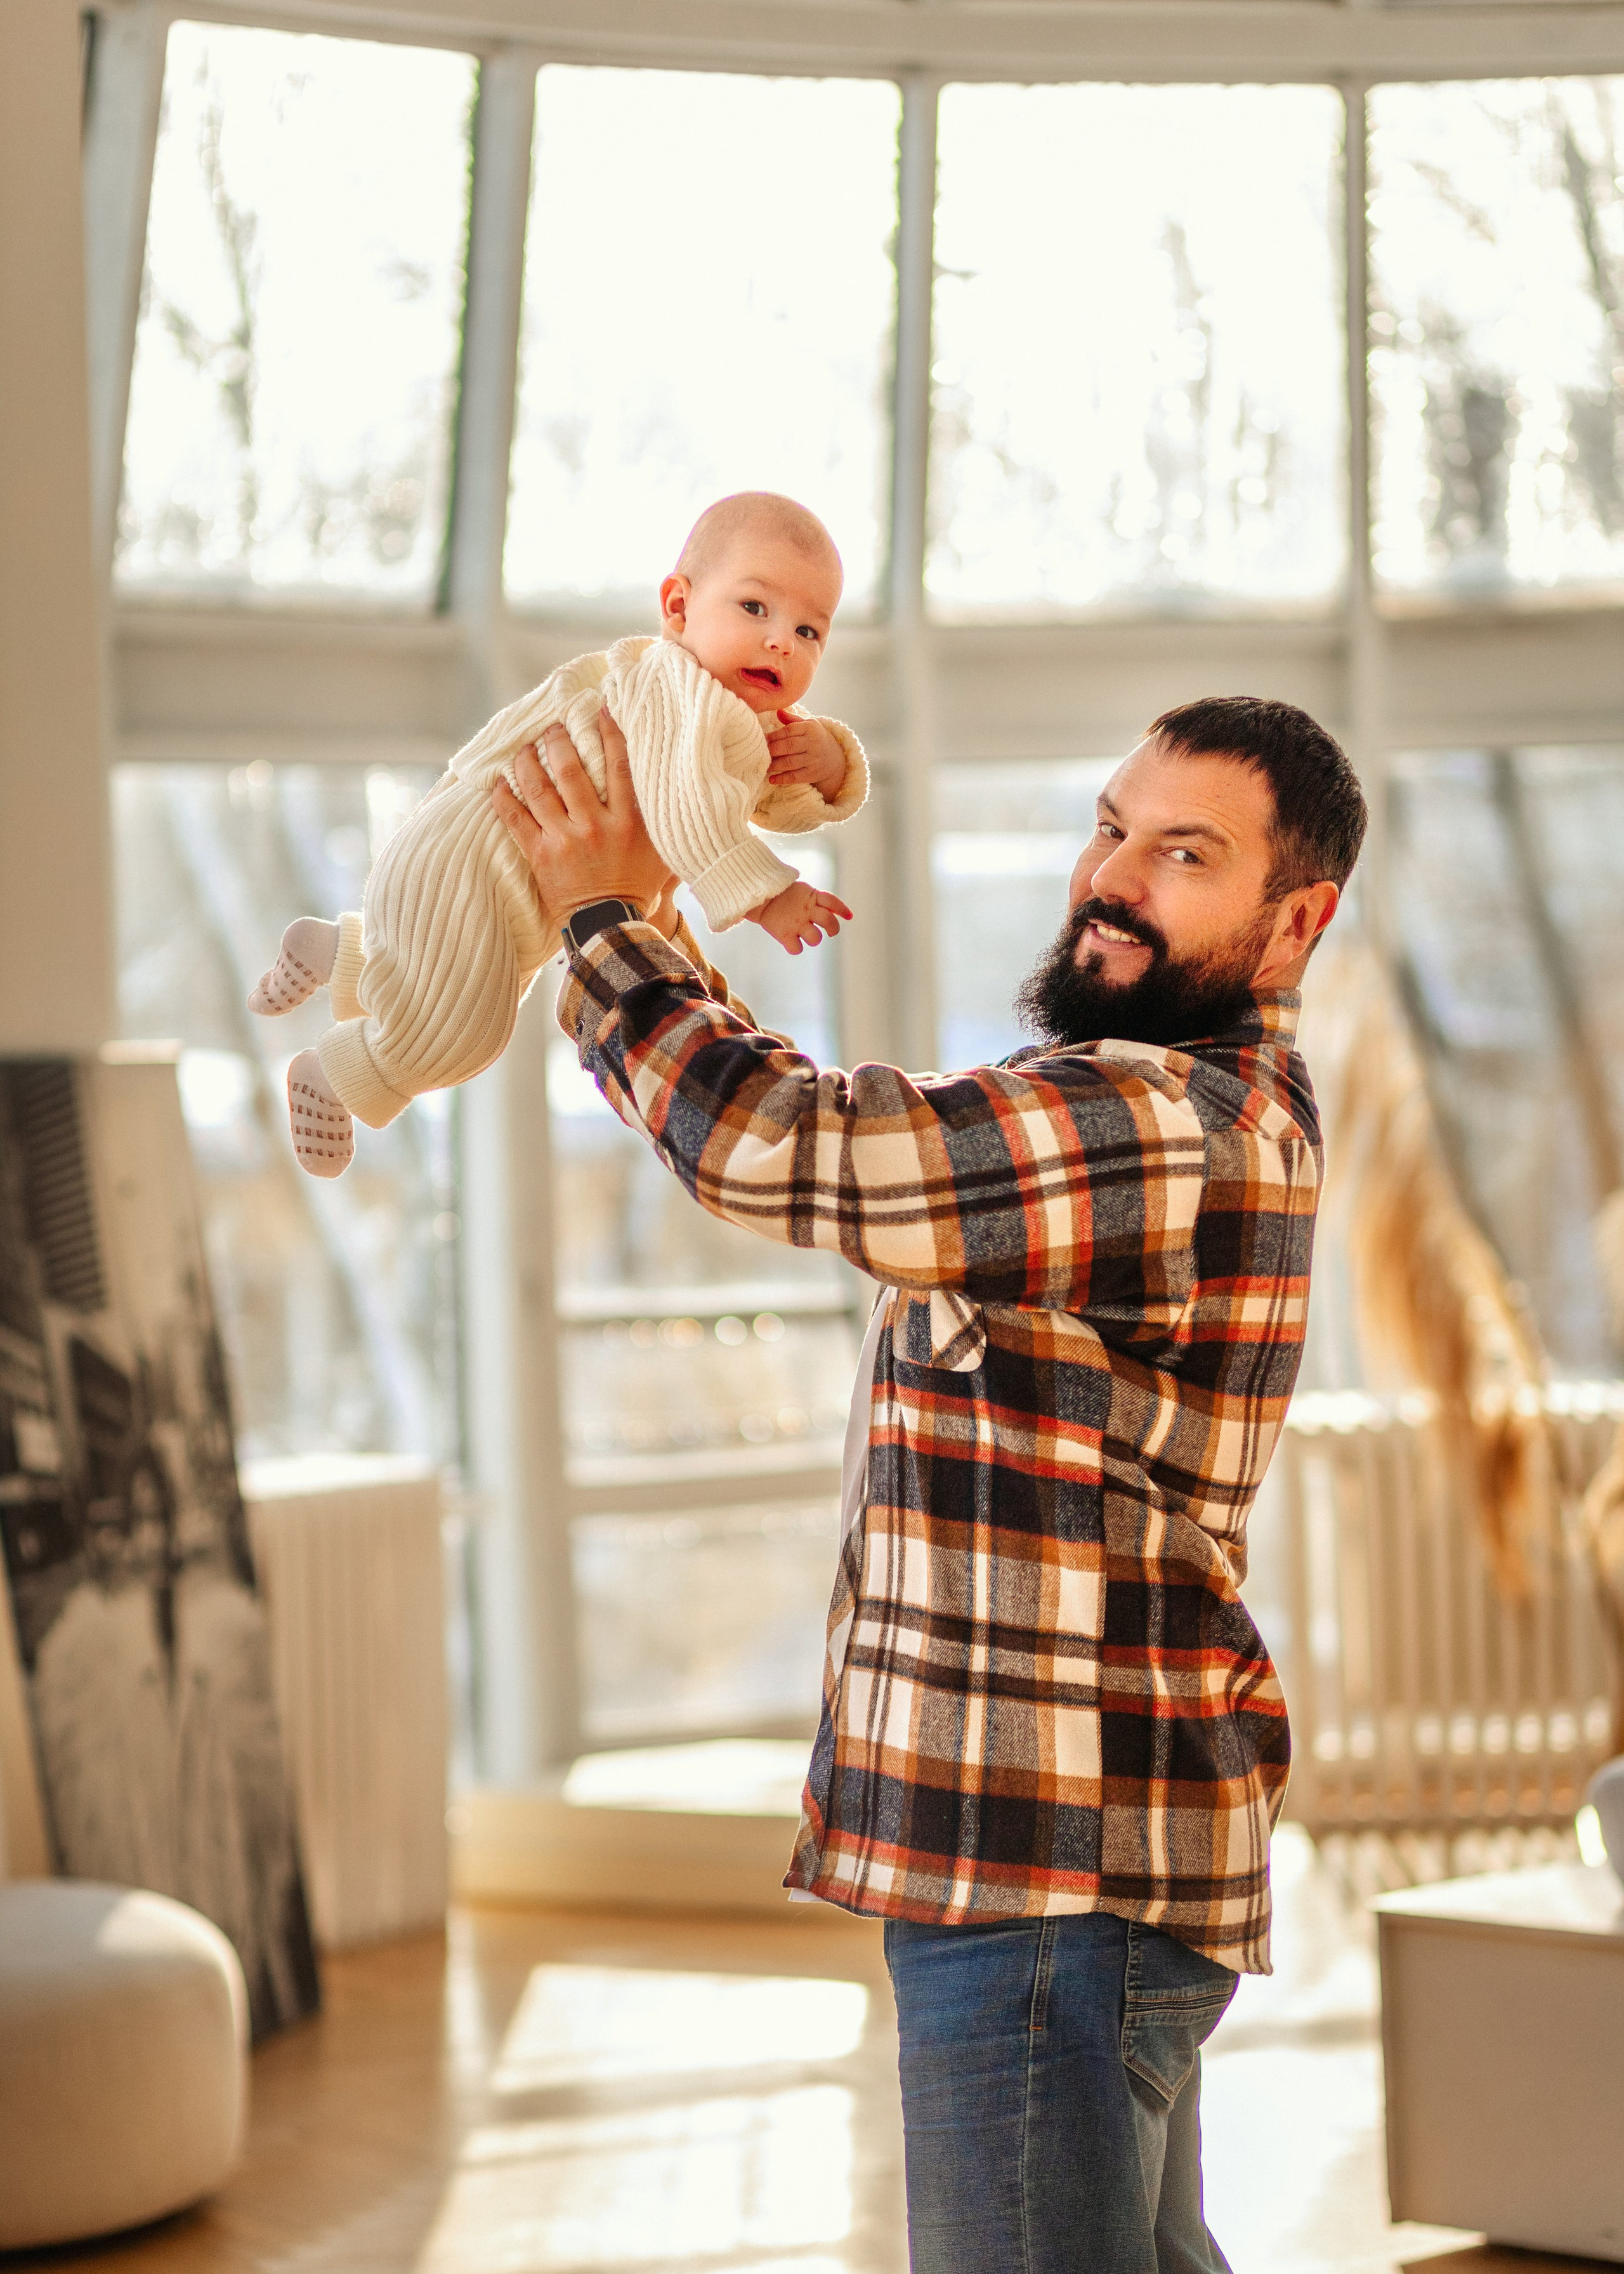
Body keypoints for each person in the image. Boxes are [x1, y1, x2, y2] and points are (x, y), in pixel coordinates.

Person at [492, 692, 1367, 2274]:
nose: (1112, 878)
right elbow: (834, 1140)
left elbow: (783, 1141)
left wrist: (603, 923)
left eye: (1183, 854)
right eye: (1109, 827)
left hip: (1050, 1867)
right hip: (1076, 1852)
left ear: (1295, 920)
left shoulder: (1155, 1120)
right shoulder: (1167, 1099)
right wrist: (655, 922)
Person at [246, 492, 864, 1176]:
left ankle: (342, 953)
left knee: (452, 972)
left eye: (809, 631)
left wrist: (830, 764)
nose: (782, 641)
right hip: (477, 863)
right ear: (678, 606)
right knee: (465, 1031)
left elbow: (773, 799)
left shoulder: (736, 717)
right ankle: (335, 1075)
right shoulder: (676, 691)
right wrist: (767, 897)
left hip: (476, 866)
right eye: (754, 607)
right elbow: (689, 809)